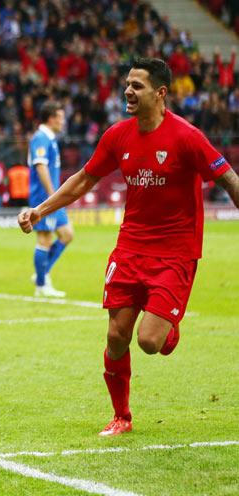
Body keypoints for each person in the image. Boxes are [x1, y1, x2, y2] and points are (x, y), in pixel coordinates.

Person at [18, 57, 239, 436]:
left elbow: (229, 180)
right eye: (127, 84)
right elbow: (84, 180)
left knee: (150, 342)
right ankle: (122, 416)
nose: (128, 91)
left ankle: (168, 327)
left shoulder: (187, 137)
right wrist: (39, 211)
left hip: (175, 253)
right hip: (130, 249)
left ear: (160, 93)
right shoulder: (118, 135)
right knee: (116, 337)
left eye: (137, 85)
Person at [27, 101, 73, 298]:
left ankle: (42, 273)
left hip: (53, 198)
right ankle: (41, 284)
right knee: (44, 239)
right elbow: (41, 167)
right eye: (61, 118)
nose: (63, 122)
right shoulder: (41, 138)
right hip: (45, 198)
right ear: (51, 118)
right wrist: (53, 196)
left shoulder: (50, 138)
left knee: (67, 234)